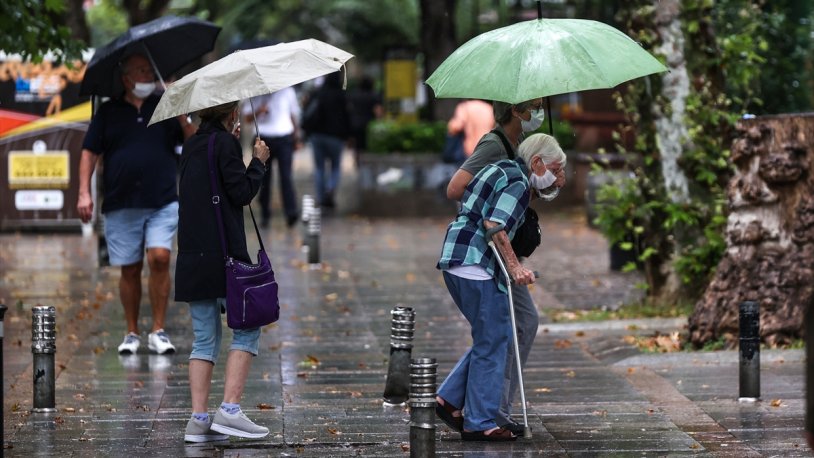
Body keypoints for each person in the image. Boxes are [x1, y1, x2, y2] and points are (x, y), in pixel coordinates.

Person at [444, 99, 565, 435]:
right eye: (556, 171)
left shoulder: (514, 167)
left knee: (498, 334)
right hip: (476, 260)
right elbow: (493, 221)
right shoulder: (506, 163)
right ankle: (482, 421)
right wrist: (515, 267)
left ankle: (452, 399)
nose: (561, 180)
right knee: (496, 338)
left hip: (466, 258)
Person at [77, 52, 196, 355]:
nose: (148, 76)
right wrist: (84, 193)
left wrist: (181, 109)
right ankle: (132, 331)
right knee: (129, 269)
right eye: (141, 71)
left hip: (162, 199)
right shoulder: (107, 112)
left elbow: (192, 141)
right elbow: (89, 152)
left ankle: (158, 330)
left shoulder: (166, 106)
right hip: (121, 202)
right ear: (126, 78)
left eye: (149, 69)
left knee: (159, 258)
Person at [175, 101, 271, 442]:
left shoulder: (190, 145)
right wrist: (257, 163)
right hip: (224, 256)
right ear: (231, 115)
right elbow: (242, 193)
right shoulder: (226, 144)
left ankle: (199, 420)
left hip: (191, 256)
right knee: (247, 327)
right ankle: (229, 410)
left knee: (204, 339)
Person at [242, 86, 301, 228]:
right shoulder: (256, 93)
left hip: (284, 137)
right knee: (264, 177)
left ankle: (290, 211)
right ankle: (265, 213)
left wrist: (296, 137)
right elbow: (247, 118)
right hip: (264, 136)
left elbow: (293, 114)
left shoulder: (288, 91)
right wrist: (259, 111)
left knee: (286, 176)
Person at [303, 71, 350, 208]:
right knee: (335, 166)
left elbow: (308, 112)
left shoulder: (319, 93)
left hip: (318, 136)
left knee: (319, 168)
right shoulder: (341, 95)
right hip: (336, 137)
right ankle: (330, 188)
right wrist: (348, 135)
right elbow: (346, 116)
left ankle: (321, 197)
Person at [347, 75, 383, 160]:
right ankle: (366, 162)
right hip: (369, 124)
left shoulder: (354, 94)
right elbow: (378, 111)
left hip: (355, 124)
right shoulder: (373, 95)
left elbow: (349, 108)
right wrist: (379, 121)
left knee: (357, 146)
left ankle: (358, 161)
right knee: (367, 146)